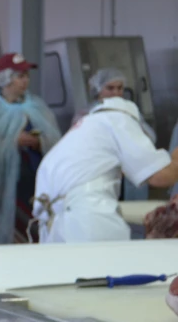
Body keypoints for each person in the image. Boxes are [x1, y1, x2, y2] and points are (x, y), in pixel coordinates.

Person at [33, 97, 178, 243]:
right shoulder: (120, 120)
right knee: (106, 264)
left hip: (54, 224)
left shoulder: (85, 129)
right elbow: (161, 177)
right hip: (88, 216)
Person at [0, 53, 62, 243]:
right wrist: (13, 141)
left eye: (26, 76)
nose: (25, 81)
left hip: (35, 181)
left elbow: (56, 141)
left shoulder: (37, 106)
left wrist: (38, 142)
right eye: (20, 76)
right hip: (4, 185)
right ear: (5, 79)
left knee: (35, 227)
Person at [74, 67, 156, 201]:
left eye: (120, 88)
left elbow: (149, 136)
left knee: (134, 211)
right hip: (102, 172)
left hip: (130, 172)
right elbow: (81, 146)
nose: (116, 93)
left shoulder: (128, 110)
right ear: (98, 90)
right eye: (110, 88)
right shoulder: (87, 114)